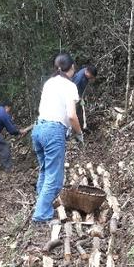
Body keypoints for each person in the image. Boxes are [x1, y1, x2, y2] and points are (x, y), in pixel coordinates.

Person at [31, 53, 83, 223]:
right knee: (55, 176)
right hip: (53, 131)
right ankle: (41, 215)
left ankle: (41, 203)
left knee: (45, 169)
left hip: (38, 129)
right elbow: (72, 116)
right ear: (72, 68)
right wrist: (79, 133)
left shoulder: (49, 83)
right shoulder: (69, 86)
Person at [71, 65, 97, 130]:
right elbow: (72, 90)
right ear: (87, 72)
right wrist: (78, 98)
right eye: (91, 76)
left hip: (80, 96)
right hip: (74, 98)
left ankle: (82, 127)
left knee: (81, 111)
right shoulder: (79, 78)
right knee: (76, 113)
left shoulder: (87, 71)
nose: (91, 78)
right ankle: (75, 130)